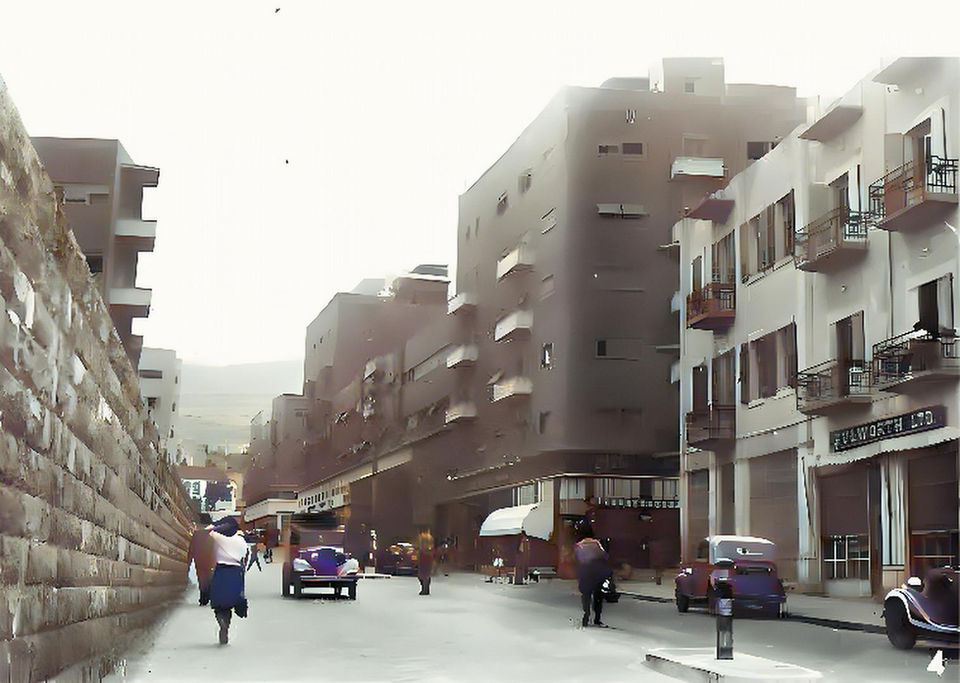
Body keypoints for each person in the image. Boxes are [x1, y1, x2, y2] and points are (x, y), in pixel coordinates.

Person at [206, 516, 249, 644]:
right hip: (236, 572)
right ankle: (226, 626)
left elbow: (207, 530)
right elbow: (245, 556)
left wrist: (217, 525)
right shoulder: (241, 541)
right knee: (230, 602)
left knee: (219, 603)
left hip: (221, 571)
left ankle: (221, 623)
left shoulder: (219, 538)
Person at [574, 523, 612, 628]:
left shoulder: (579, 545)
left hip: (585, 572)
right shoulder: (596, 543)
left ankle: (586, 616)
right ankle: (597, 619)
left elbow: (577, 559)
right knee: (598, 596)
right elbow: (605, 556)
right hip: (597, 571)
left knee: (586, 595)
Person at [417, 530, 435, 595]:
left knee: (425, 576)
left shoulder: (428, 548)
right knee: (422, 576)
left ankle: (425, 590)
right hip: (423, 562)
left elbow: (431, 555)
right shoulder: (422, 549)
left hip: (427, 562)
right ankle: (425, 589)